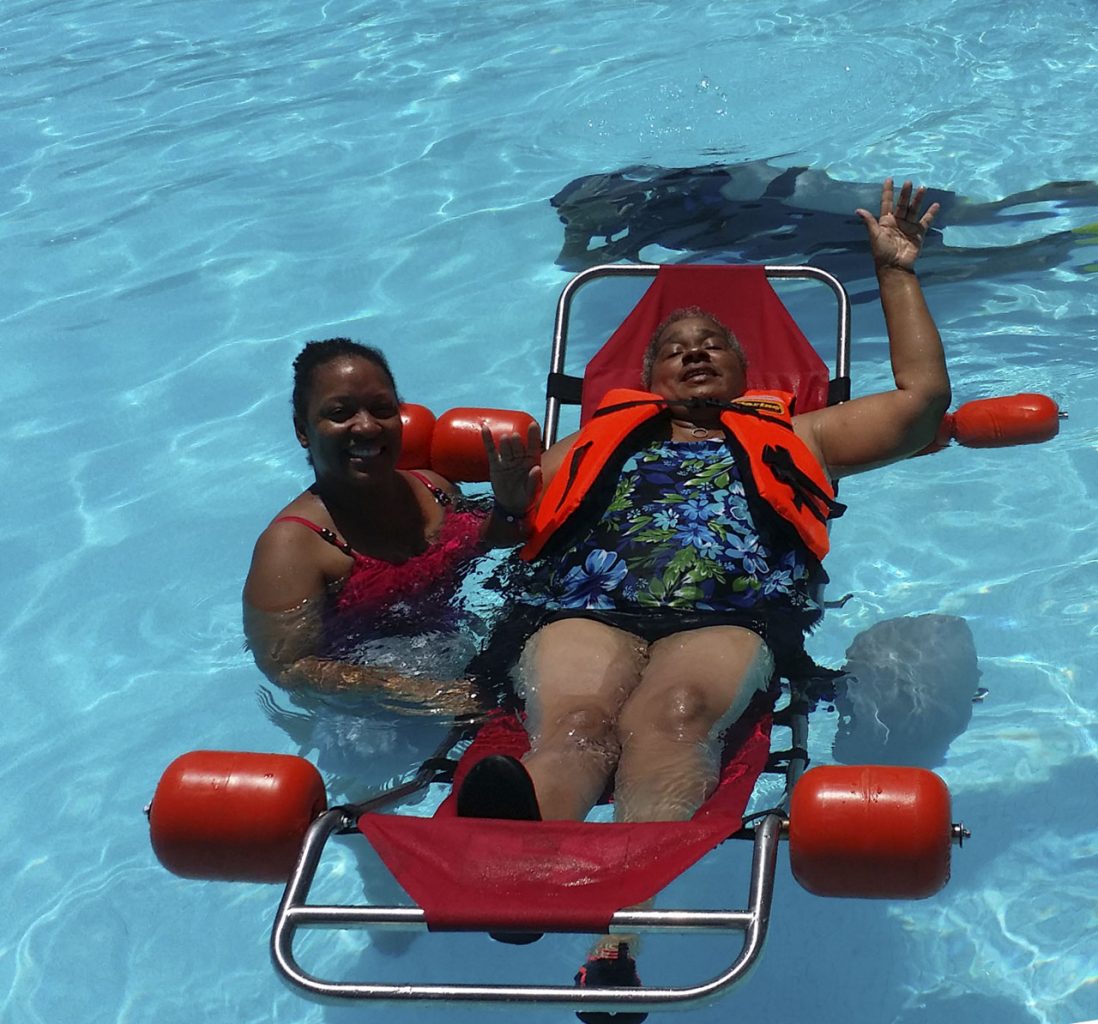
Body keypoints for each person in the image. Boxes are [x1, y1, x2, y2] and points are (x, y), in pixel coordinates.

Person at [456, 178, 950, 1018]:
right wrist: (508, 498)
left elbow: (921, 405)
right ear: (647, 376)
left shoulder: (802, 433)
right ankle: (521, 862)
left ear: (745, 371)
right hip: (580, 608)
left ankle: (618, 937)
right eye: (675, 347)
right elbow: (505, 529)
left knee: (677, 715)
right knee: (578, 723)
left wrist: (896, 273)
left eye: (712, 343)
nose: (693, 352)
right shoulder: (585, 440)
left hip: (730, 615)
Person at [243, 338, 540, 707]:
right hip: (371, 714)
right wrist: (420, 694)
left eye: (382, 409)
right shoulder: (291, 547)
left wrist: (510, 507)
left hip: (467, 665)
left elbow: (490, 547)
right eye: (340, 413)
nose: (367, 426)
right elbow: (289, 667)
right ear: (303, 430)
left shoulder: (436, 491)